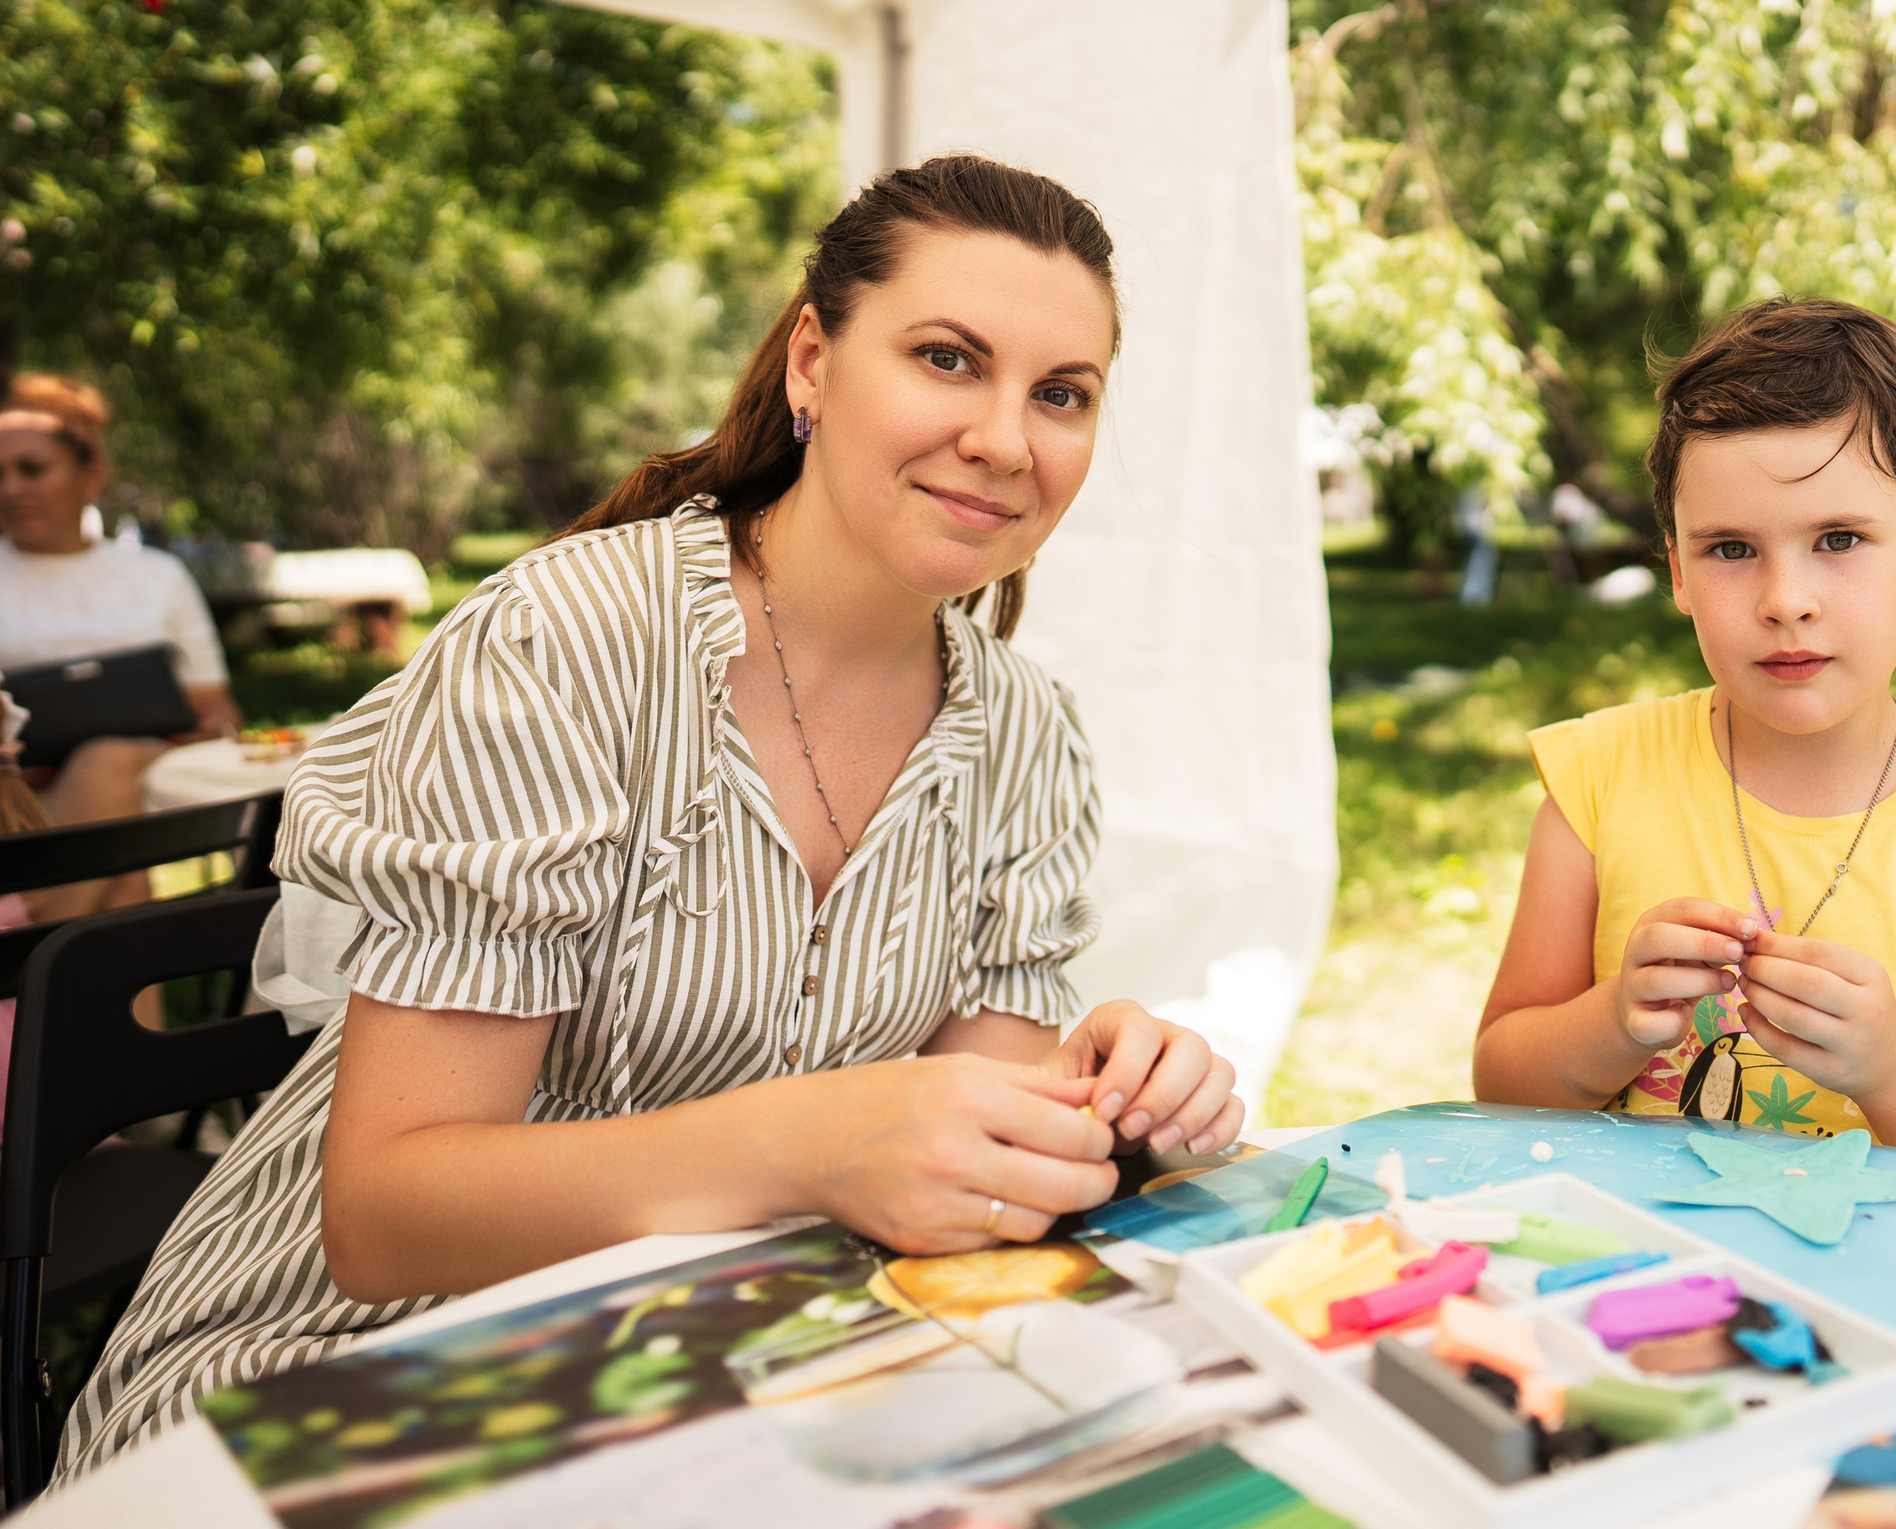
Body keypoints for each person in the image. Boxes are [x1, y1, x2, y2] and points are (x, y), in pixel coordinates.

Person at [58, 156, 1243, 1478]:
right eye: (949, 358)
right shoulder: (568, 642)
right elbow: (385, 1216)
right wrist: (814, 1144)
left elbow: (961, 1155)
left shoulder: (1027, 736)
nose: (1009, 440)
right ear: (813, 360)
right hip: (343, 1373)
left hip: (716, 1355)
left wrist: (1105, 1098)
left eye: (1061, 394)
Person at [1473, 299, 1896, 1175]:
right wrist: (1616, 1020)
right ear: (1676, 568)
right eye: (1732, 549)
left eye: (1840, 539)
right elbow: (1499, 1083)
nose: (1787, 598)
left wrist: (1892, 1069)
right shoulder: (1599, 780)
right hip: (1635, 1275)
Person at [0, 374, 242, 919]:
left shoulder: (156, 576)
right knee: (125, 885)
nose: (11, 489)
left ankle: (33, 946)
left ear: (92, 476)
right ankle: (50, 966)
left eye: (32, 470)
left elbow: (216, 706)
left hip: (142, 781)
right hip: (15, 798)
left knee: (108, 761)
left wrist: (205, 728)